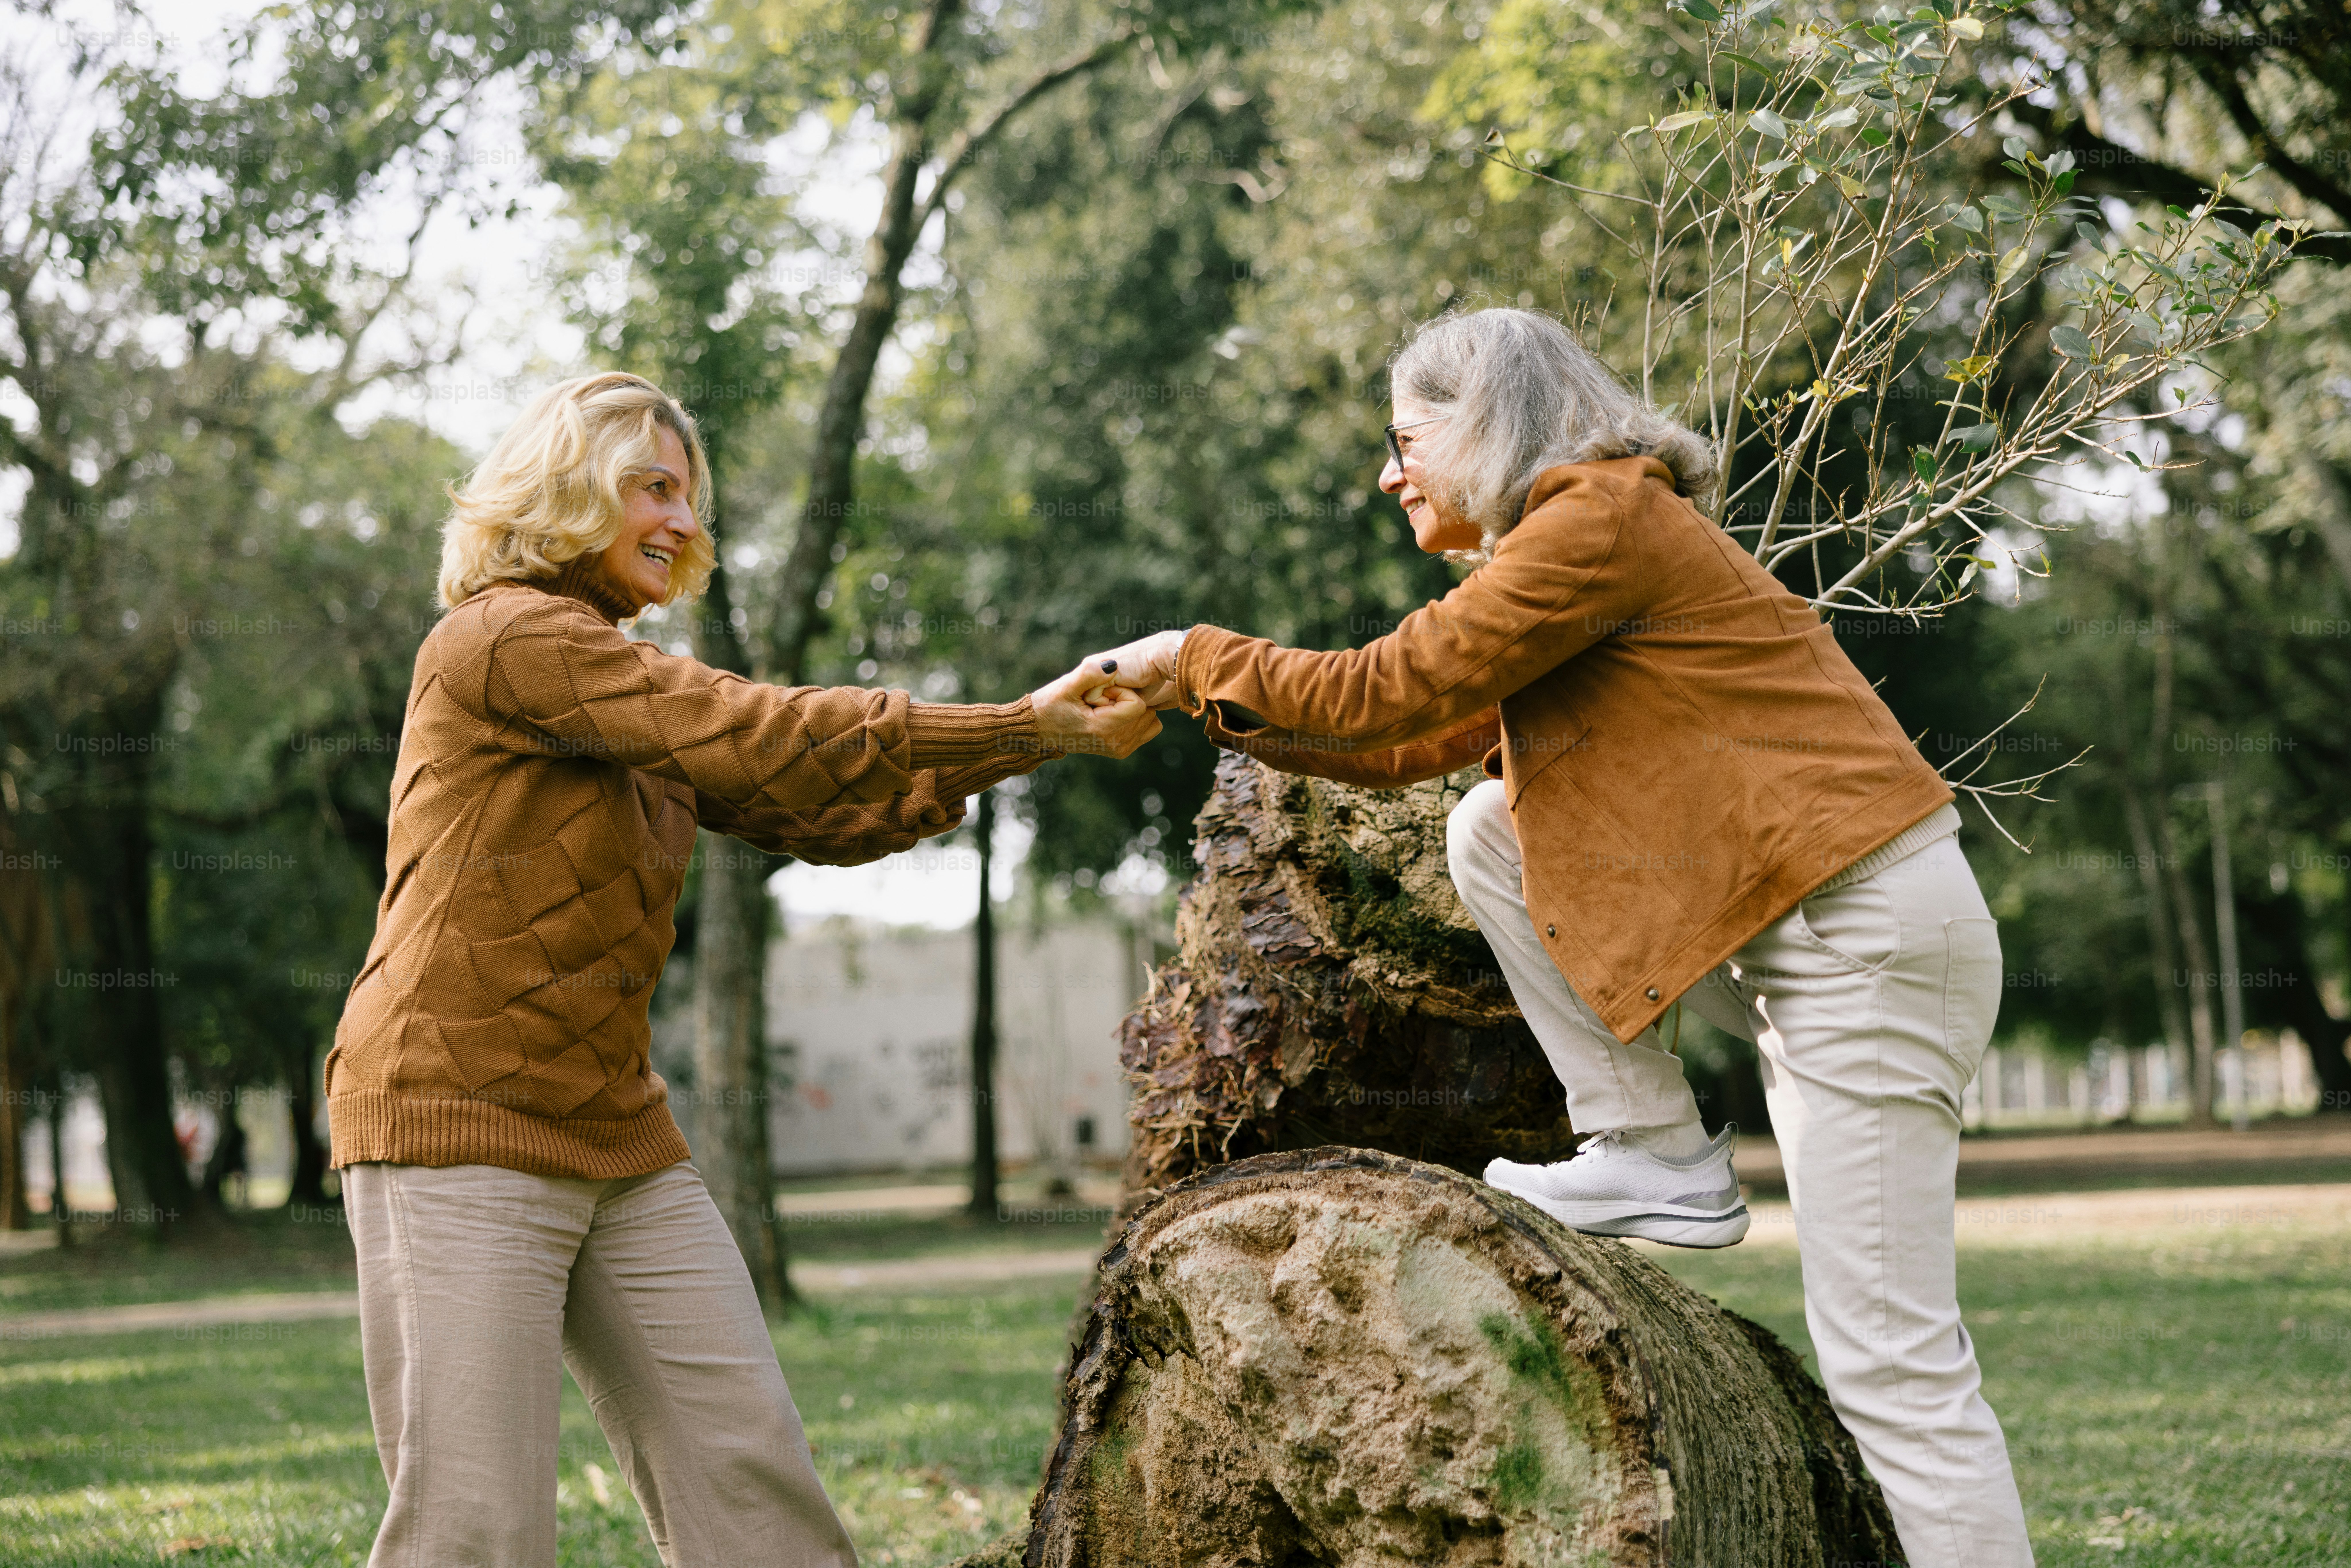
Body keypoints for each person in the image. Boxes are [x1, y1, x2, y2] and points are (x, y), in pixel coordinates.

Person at [1094, 308, 2031, 1567]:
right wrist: (1191, 692)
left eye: (1403, 438)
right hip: (1805, 938)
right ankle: (1650, 1148)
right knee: (1488, 822)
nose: (1388, 474)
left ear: (1480, 420)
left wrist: (1187, 649)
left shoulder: (1600, 522)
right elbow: (1403, 740)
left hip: (1863, 940)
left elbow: (1386, 687)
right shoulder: (1574, 545)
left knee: (1893, 1364)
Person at [327, 370, 1159, 1568]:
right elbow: (763, 729)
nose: (682, 522)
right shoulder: (506, 639)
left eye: (691, 499)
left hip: (613, 1127)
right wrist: (1022, 719)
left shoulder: (615, 683)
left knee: (752, 1491)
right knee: (477, 1531)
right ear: (566, 489)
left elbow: (818, 807)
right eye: (651, 489)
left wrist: (1024, 743)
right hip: (454, 1112)